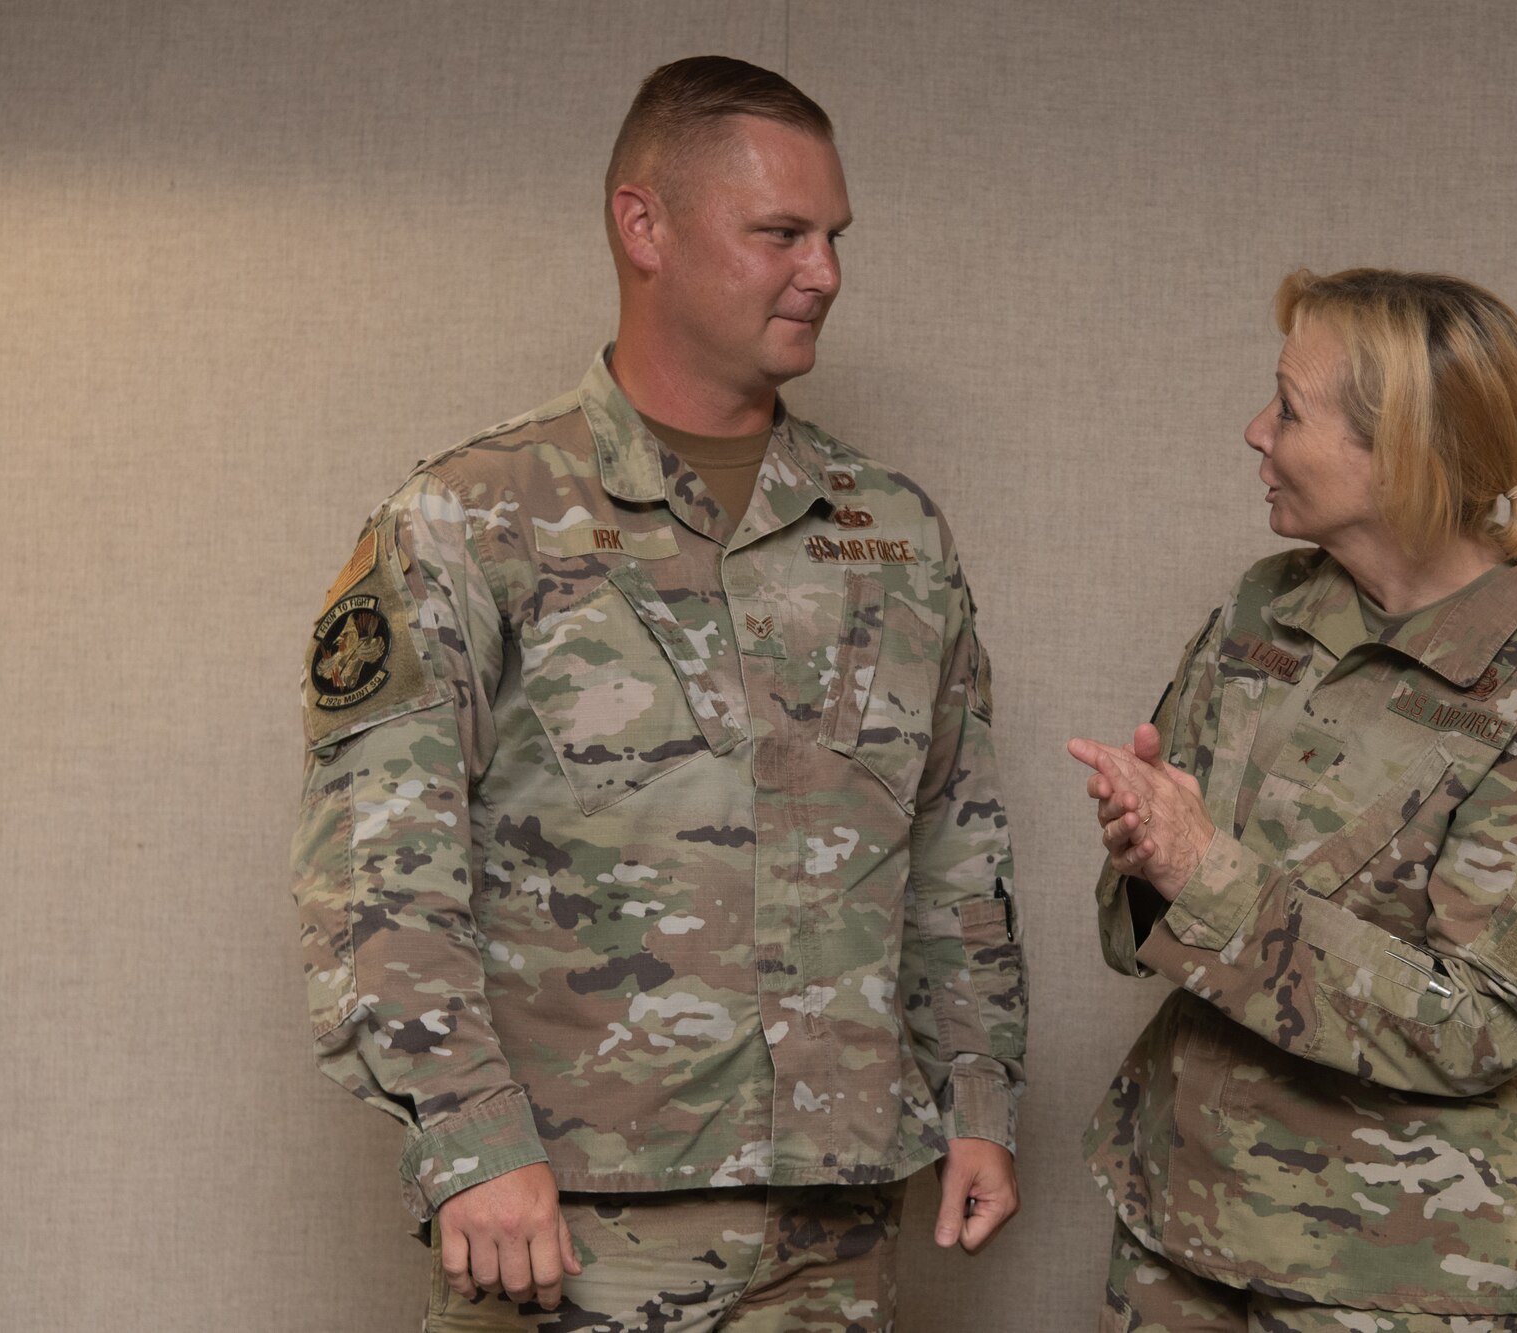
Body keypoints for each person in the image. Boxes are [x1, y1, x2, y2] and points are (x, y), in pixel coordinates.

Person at [289, 56, 1025, 1332]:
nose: (824, 273)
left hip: (836, 1217)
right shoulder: (474, 518)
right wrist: (466, 1136)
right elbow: (375, 868)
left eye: (834, 236)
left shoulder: (893, 532)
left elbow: (953, 840)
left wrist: (976, 1096)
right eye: (779, 233)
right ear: (645, 226)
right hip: (570, 1221)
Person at [1069, 268, 1517, 1332]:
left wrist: (1208, 879)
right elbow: (1144, 917)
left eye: (1287, 409)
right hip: (1175, 1227)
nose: (1254, 429)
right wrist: (1147, 858)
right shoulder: (1264, 608)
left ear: (1399, 455)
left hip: (1397, 1281)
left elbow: (1484, 1023)